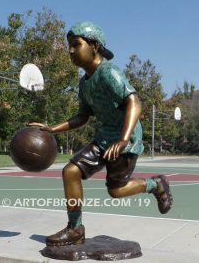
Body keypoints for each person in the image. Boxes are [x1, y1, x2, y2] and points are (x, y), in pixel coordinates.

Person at [29, 21, 173, 247]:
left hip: (124, 140)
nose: (71, 51)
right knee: (70, 171)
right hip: (104, 138)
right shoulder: (84, 83)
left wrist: (124, 138)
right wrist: (52, 128)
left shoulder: (109, 72)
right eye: (70, 46)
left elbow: (134, 102)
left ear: (94, 45)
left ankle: (156, 184)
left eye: (76, 44)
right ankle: (75, 228)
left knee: (115, 191)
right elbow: (82, 117)